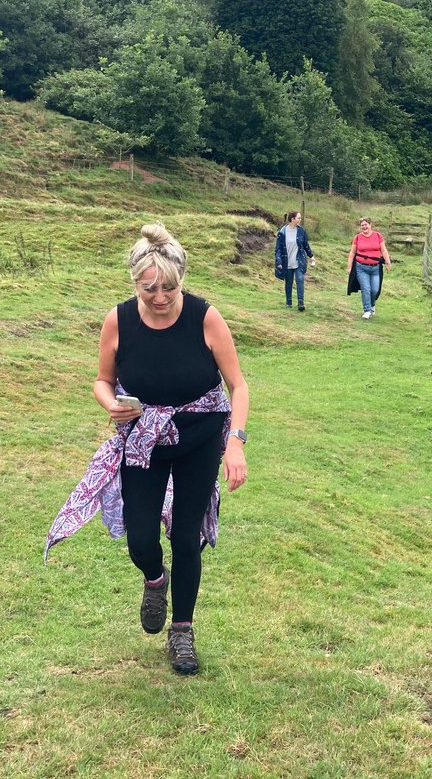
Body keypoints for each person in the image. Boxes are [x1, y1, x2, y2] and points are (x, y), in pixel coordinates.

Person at [45, 223, 249, 675]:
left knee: (185, 536)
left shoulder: (205, 317)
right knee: (141, 538)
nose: (160, 297)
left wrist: (235, 442)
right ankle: (155, 580)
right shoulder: (119, 319)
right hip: (143, 439)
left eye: (170, 288)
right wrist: (110, 404)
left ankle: (182, 632)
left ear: (183, 281)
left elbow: (238, 386)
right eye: (149, 288)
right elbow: (102, 380)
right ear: (134, 281)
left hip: (200, 436)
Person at [346, 217, 391, 319]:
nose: (364, 227)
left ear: (370, 225)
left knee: (375, 290)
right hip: (361, 268)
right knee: (366, 289)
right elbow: (352, 252)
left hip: (375, 268)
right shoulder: (357, 238)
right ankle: (367, 310)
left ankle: (372, 304)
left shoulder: (378, 236)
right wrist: (349, 267)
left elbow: (383, 250)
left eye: (366, 224)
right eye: (362, 225)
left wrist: (388, 263)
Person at [275, 210, 315, 312]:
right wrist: (279, 261)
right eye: (299, 218)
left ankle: (301, 302)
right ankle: (289, 302)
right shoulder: (282, 232)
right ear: (292, 219)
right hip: (286, 261)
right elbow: (278, 248)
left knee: (300, 279)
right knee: (288, 282)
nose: (300, 220)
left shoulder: (301, 231)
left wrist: (311, 256)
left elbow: (306, 245)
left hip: (299, 260)